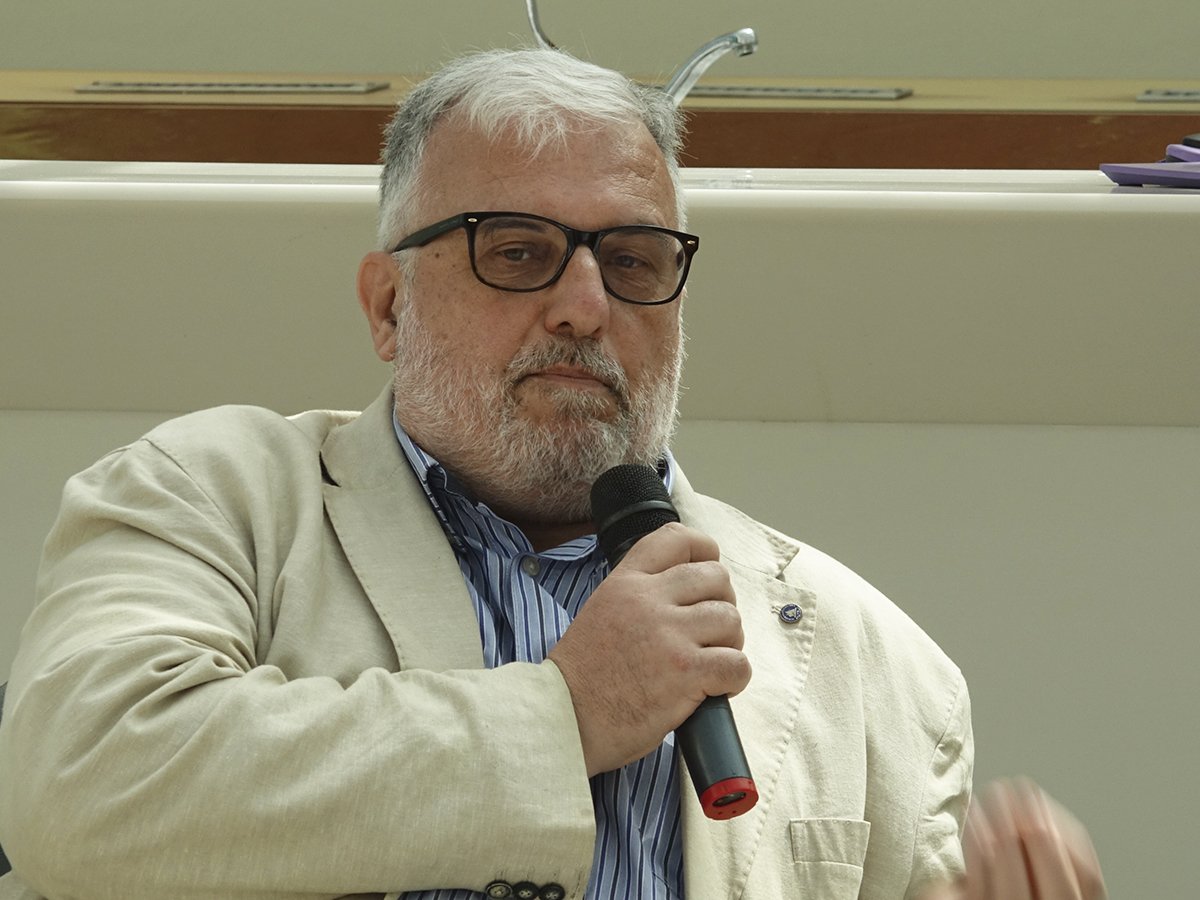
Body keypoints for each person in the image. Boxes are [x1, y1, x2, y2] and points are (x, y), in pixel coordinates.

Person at [0, 48, 1102, 900]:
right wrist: (564, 714)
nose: (585, 307)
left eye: (632, 261)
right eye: (517, 250)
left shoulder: (878, 663)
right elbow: (80, 792)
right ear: (389, 305)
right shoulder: (207, 496)